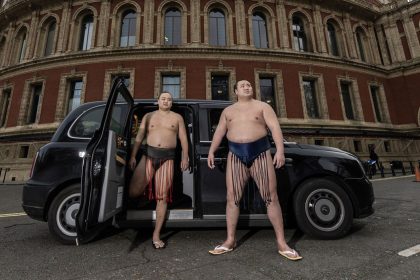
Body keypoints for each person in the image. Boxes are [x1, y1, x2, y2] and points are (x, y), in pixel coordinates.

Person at [207, 80, 302, 261]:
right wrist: (212, 150)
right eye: (242, 85)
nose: (246, 86)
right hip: (235, 153)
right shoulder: (228, 111)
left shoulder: (262, 107)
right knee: (232, 197)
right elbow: (219, 131)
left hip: (260, 152)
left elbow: (275, 127)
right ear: (235, 91)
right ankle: (230, 240)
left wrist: (280, 151)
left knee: (271, 197)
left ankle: (282, 243)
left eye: (249, 84)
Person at [129, 92, 189, 249]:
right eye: (163, 98)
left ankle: (156, 235)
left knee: (162, 197)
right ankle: (144, 202)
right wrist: (133, 156)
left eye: (169, 99)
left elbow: (183, 138)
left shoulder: (177, 118)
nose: (166, 101)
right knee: (133, 192)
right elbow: (139, 136)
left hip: (167, 158)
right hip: (148, 155)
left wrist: (185, 157)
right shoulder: (149, 116)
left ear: (171, 103)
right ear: (158, 101)